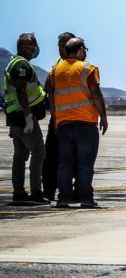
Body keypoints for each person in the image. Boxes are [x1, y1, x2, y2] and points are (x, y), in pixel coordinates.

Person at [47, 37, 107, 208]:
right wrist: (103, 116)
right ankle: (86, 199)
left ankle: (63, 199)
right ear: (80, 49)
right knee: (85, 165)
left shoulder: (54, 71)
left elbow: (51, 96)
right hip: (85, 123)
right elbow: (95, 93)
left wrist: (56, 118)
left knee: (64, 164)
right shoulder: (87, 69)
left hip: (64, 124)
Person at [4, 33, 48, 204]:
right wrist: (28, 116)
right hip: (24, 117)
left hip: (15, 117)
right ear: (26, 46)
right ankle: (36, 191)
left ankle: (19, 192)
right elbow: (21, 90)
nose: (36, 48)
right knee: (39, 152)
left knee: (20, 155)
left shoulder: (12, 63)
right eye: (34, 45)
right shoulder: (22, 64)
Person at [41, 32, 76, 200]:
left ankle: (78, 191)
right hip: (58, 118)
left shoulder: (81, 65)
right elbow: (50, 92)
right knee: (51, 157)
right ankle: (48, 191)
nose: (62, 49)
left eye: (64, 46)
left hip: (76, 119)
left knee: (77, 158)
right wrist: (54, 118)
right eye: (59, 46)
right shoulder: (56, 65)